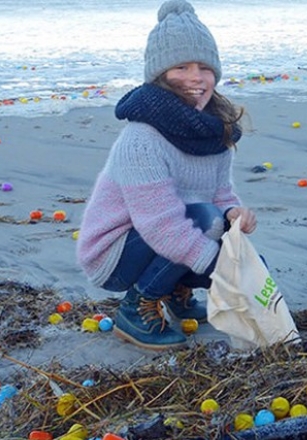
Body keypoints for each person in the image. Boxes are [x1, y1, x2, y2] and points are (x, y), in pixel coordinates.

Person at [76, 0, 257, 351]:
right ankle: (136, 306)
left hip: (172, 233)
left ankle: (176, 290)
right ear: (160, 76)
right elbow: (161, 225)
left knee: (230, 237)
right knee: (205, 221)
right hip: (115, 253)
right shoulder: (142, 139)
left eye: (205, 67)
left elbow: (220, 194)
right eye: (182, 67)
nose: (195, 77)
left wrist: (234, 213)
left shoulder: (214, 131)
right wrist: (219, 267)